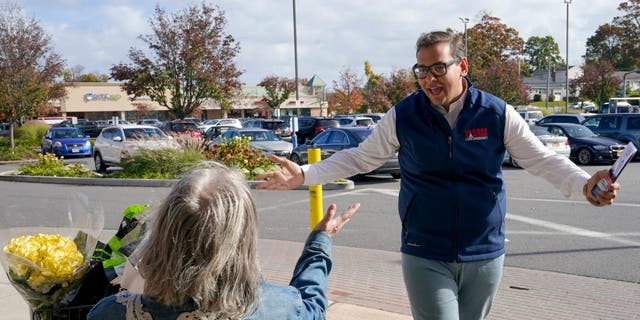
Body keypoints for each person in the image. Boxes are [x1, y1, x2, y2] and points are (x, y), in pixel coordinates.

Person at [255, 30, 621, 320]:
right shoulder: (405, 115)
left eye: (437, 68)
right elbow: (361, 158)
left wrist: (584, 183)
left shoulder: (495, 113)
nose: (428, 79)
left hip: (485, 252)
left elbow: (541, 159)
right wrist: (305, 174)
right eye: (421, 70)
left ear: (461, 66)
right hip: (424, 251)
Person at [87, 165, 360, 319]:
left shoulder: (111, 313)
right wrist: (319, 243)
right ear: (243, 241)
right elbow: (313, 308)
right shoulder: (281, 308)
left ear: (162, 236)